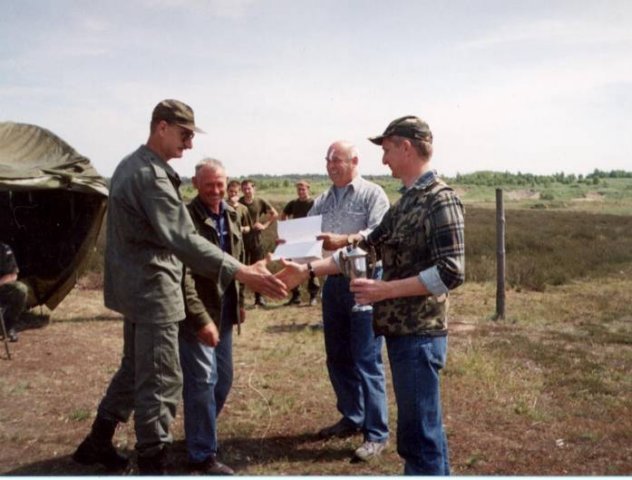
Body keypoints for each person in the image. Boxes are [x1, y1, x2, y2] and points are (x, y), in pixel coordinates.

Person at [72, 99, 287, 475]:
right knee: (160, 378)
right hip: (153, 291)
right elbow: (184, 238)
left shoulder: (131, 165)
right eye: (185, 134)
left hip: (137, 289)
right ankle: (152, 461)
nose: (189, 144)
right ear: (162, 127)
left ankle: (96, 442)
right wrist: (239, 271)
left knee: (134, 369)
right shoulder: (152, 176)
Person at [276, 116, 465, 475]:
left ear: (406, 147)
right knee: (419, 432)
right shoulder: (406, 204)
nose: (384, 159)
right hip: (401, 330)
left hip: (421, 334)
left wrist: (386, 289)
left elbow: (452, 272)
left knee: (420, 435)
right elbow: (363, 250)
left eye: (388, 149)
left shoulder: (440, 200)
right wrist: (307, 270)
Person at [306, 140, 391, 462]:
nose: (331, 165)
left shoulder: (373, 194)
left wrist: (345, 239)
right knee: (338, 355)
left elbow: (380, 233)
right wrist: (290, 247)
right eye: (328, 160)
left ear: (354, 161)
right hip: (333, 283)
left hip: (365, 283)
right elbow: (305, 237)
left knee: (366, 358)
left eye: (337, 160)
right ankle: (353, 416)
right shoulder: (322, 200)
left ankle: (376, 433)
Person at [178, 158, 247, 475]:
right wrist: (199, 318)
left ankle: (198, 434)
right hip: (199, 313)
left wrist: (241, 301)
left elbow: (238, 260)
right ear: (195, 184)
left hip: (225, 311)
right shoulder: (184, 217)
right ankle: (201, 455)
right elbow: (183, 276)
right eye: (209, 185)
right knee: (203, 380)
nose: (216, 191)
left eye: (221, 184)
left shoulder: (233, 213)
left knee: (223, 378)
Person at [239, 179, 279, 307]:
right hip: (241, 241)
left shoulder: (260, 202)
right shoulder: (238, 203)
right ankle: (240, 299)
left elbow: (274, 214)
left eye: (249, 188)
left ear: (254, 189)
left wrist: (264, 225)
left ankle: (259, 298)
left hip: (256, 240)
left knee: (258, 269)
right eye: (244, 189)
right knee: (240, 269)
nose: (247, 191)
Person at [280, 180, 319, 306]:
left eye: (303, 189)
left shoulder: (314, 203)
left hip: (310, 240)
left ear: (308, 189)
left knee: (311, 267)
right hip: (296, 240)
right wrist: (287, 228)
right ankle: (296, 296)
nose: (301, 192)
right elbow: (283, 215)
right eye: (299, 189)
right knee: (294, 266)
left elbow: (320, 218)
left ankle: (313, 296)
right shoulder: (293, 203)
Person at [0, 243, 28, 343]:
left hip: (1, 288)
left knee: (21, 290)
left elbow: (13, 275)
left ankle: (8, 327)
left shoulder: (4, 249)